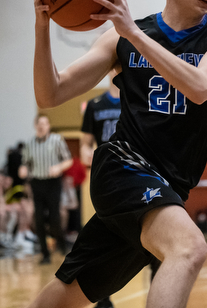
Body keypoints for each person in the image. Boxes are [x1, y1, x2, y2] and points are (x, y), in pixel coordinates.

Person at [30, 0, 207, 308]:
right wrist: (42, 27)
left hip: (171, 185)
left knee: (64, 299)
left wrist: (131, 32)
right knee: (189, 248)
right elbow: (50, 94)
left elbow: (201, 87)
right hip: (123, 167)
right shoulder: (121, 37)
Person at [79, 73, 120, 308]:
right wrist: (86, 151)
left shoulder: (135, 100)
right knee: (105, 233)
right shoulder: (95, 105)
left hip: (131, 172)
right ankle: (103, 296)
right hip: (104, 175)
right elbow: (85, 142)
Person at [19, 114, 73, 264]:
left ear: (49, 126)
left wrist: (58, 167)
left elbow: (68, 160)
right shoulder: (29, 143)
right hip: (37, 183)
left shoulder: (57, 140)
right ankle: (45, 254)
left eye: (45, 123)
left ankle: (61, 243)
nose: (42, 126)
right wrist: (23, 169)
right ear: (35, 126)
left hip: (53, 183)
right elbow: (25, 163)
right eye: (39, 124)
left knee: (55, 218)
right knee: (38, 219)